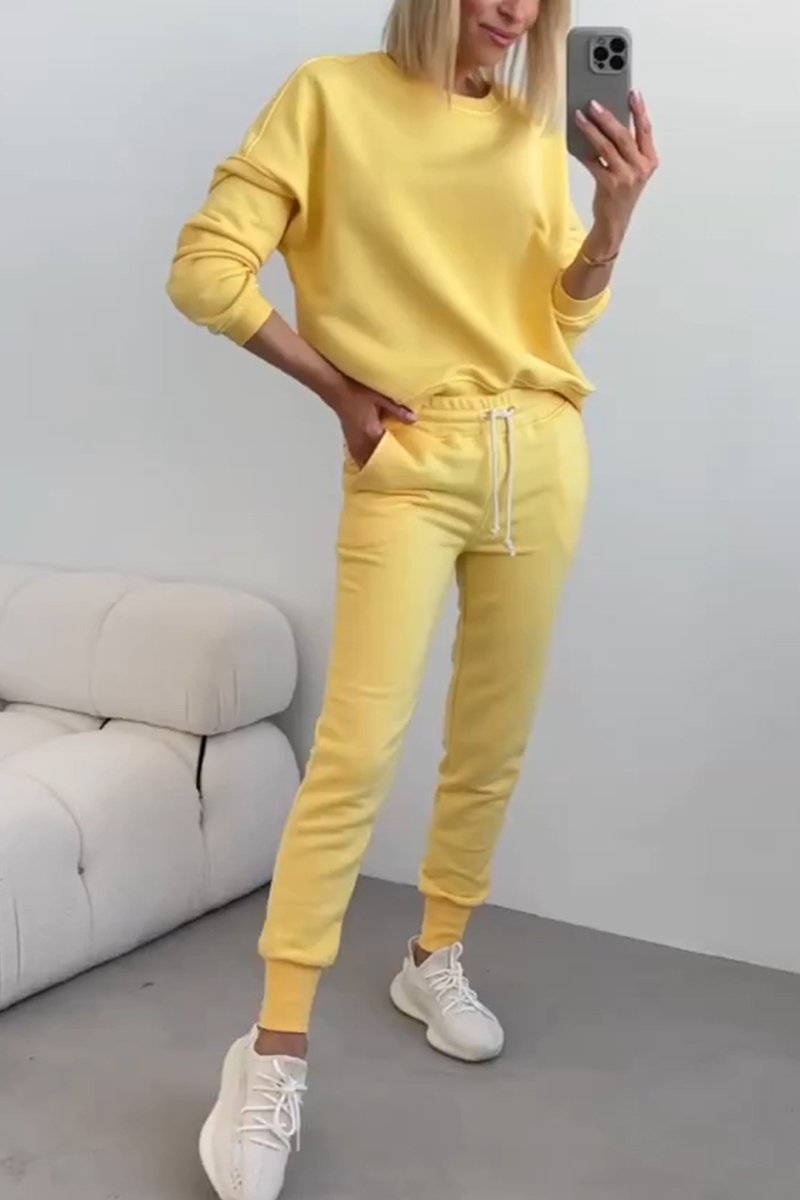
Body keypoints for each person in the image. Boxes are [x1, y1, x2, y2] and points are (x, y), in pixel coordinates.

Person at [167, 1, 658, 1196]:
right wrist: (337, 388)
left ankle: (433, 954)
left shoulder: (529, 127)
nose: (513, 10)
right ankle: (272, 1047)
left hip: (540, 455)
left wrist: (613, 215)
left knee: (491, 740)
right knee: (356, 750)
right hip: (410, 458)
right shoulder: (327, 98)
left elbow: (560, 311)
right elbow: (205, 271)